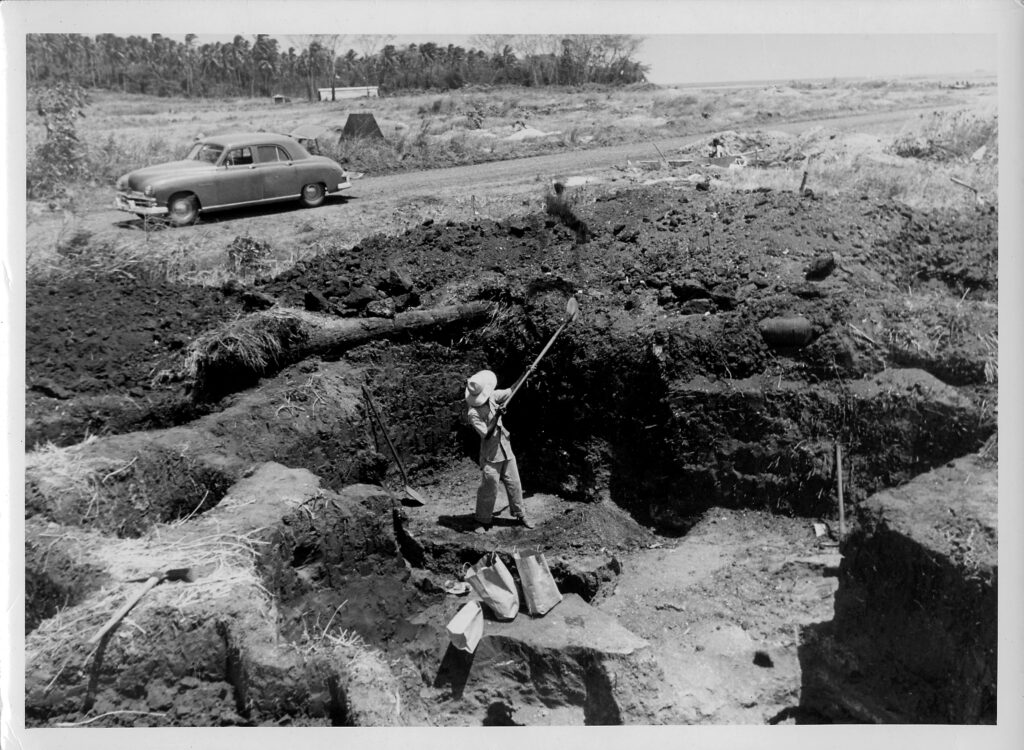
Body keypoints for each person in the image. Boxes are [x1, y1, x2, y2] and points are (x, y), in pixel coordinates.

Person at [464, 370, 535, 533]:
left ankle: (520, 514)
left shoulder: (493, 397)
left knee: (514, 483)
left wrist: (524, 373)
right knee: (489, 488)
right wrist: (497, 416)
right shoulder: (473, 413)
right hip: (491, 455)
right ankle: (482, 520)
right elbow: (486, 434)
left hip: (505, 448)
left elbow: (511, 390)